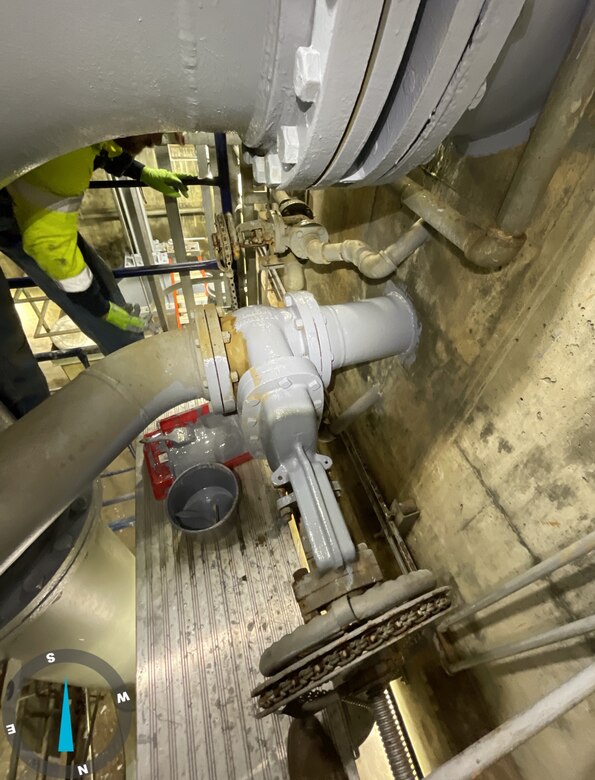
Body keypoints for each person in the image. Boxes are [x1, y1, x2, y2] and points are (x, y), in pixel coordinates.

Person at [0, 134, 190, 418]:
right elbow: (49, 246)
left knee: (93, 279)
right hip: (17, 202)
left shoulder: (90, 126)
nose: (157, 140)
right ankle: (34, 429)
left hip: (15, 195)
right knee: (6, 345)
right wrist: (101, 309)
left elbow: (100, 146)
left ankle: (139, 370)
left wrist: (139, 171)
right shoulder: (64, 165)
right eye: (154, 133)